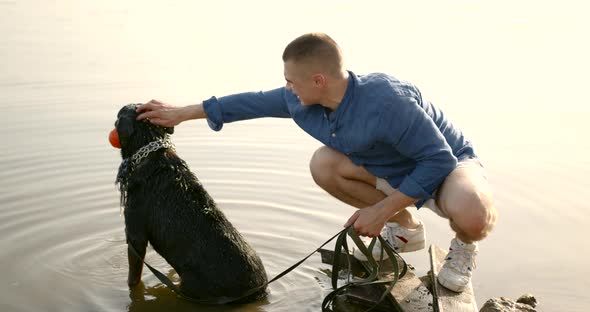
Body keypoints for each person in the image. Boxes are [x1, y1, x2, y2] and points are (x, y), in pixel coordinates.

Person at [135, 32, 498, 292]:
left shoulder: (388, 101)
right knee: (323, 164)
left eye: (291, 81)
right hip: (391, 170)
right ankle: (406, 228)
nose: (288, 88)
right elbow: (251, 102)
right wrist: (183, 112)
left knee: (473, 213)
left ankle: (464, 248)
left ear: (319, 80)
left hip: (448, 167)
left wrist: (381, 209)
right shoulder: (301, 99)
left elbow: (437, 160)